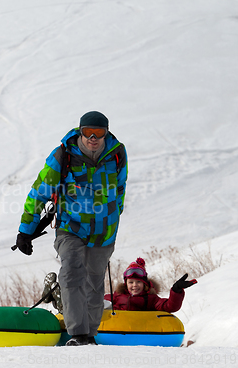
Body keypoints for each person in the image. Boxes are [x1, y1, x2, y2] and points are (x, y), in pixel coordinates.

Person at [15, 111, 128, 346]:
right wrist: (26, 231)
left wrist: (116, 212)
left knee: (94, 283)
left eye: (99, 133)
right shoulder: (63, 154)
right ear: (80, 131)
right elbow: (40, 191)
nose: (93, 138)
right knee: (72, 272)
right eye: (88, 132)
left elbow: (120, 186)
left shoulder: (117, 153)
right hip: (71, 227)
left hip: (104, 231)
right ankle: (77, 333)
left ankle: (90, 334)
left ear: (106, 133)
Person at [104, 257, 197, 312]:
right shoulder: (117, 296)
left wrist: (176, 290)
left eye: (138, 282)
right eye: (131, 282)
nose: (135, 285)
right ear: (126, 284)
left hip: (142, 333)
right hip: (118, 331)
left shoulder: (151, 299)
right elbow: (98, 301)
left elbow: (170, 306)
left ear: (145, 283)